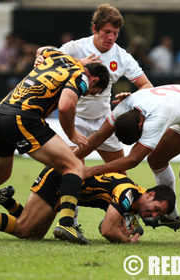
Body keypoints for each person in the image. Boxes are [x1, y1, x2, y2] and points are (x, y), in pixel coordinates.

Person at [75, 84, 180, 246]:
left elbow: (133, 160)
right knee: (156, 160)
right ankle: (172, 217)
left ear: (141, 125)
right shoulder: (123, 107)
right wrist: (69, 161)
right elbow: (98, 137)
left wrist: (90, 170)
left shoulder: (156, 118)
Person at [35, 4, 154, 227]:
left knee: (121, 171)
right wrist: (78, 63)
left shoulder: (122, 56)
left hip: (104, 122)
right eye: (107, 32)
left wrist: (131, 100)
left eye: (115, 33)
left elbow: (147, 86)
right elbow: (46, 57)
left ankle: (126, 218)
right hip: (74, 119)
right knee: (70, 170)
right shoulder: (76, 47)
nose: (111, 37)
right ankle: (71, 221)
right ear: (95, 29)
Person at [0, 46, 109, 244]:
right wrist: (72, 134)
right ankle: (67, 223)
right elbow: (66, 105)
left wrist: (48, 59)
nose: (88, 94)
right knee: (75, 165)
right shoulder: (82, 77)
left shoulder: (59, 58)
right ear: (94, 80)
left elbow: (43, 49)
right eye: (93, 92)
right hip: (23, 117)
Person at [0, 167, 175, 244]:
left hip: (65, 191)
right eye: (156, 208)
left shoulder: (134, 198)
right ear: (150, 194)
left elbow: (115, 224)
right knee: (25, 230)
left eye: (158, 214)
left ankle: (7, 201)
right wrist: (127, 241)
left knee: (35, 233)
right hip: (58, 181)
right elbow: (107, 229)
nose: (152, 214)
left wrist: (126, 229)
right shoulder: (128, 192)